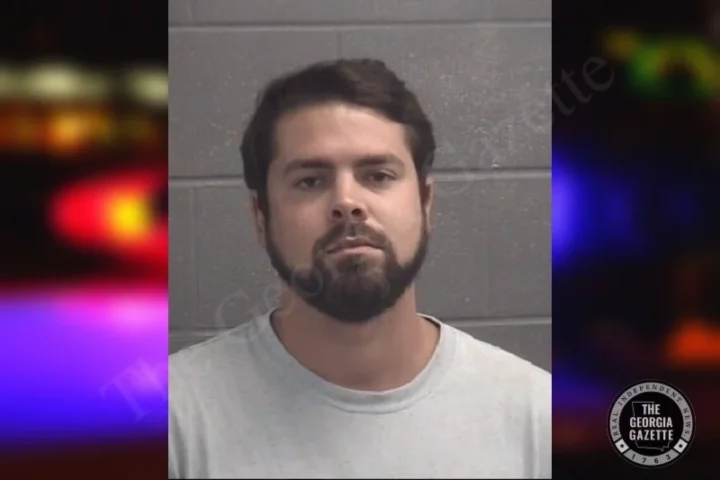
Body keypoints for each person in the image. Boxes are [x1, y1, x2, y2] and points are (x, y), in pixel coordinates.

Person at [169, 58, 551, 479]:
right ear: (261, 217)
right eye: (310, 181)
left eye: (378, 175)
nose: (347, 202)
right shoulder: (174, 419)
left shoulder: (536, 419)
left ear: (426, 204)